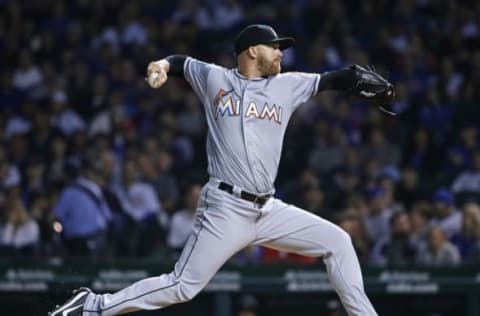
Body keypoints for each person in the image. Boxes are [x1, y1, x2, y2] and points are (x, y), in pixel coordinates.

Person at [50, 24, 394, 316]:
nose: (280, 54)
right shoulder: (214, 78)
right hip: (226, 208)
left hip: (268, 208)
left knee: (339, 241)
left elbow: (332, 79)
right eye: (274, 47)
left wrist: (353, 78)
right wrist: (162, 65)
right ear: (251, 50)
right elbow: (180, 62)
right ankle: (93, 306)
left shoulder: (288, 84)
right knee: (182, 286)